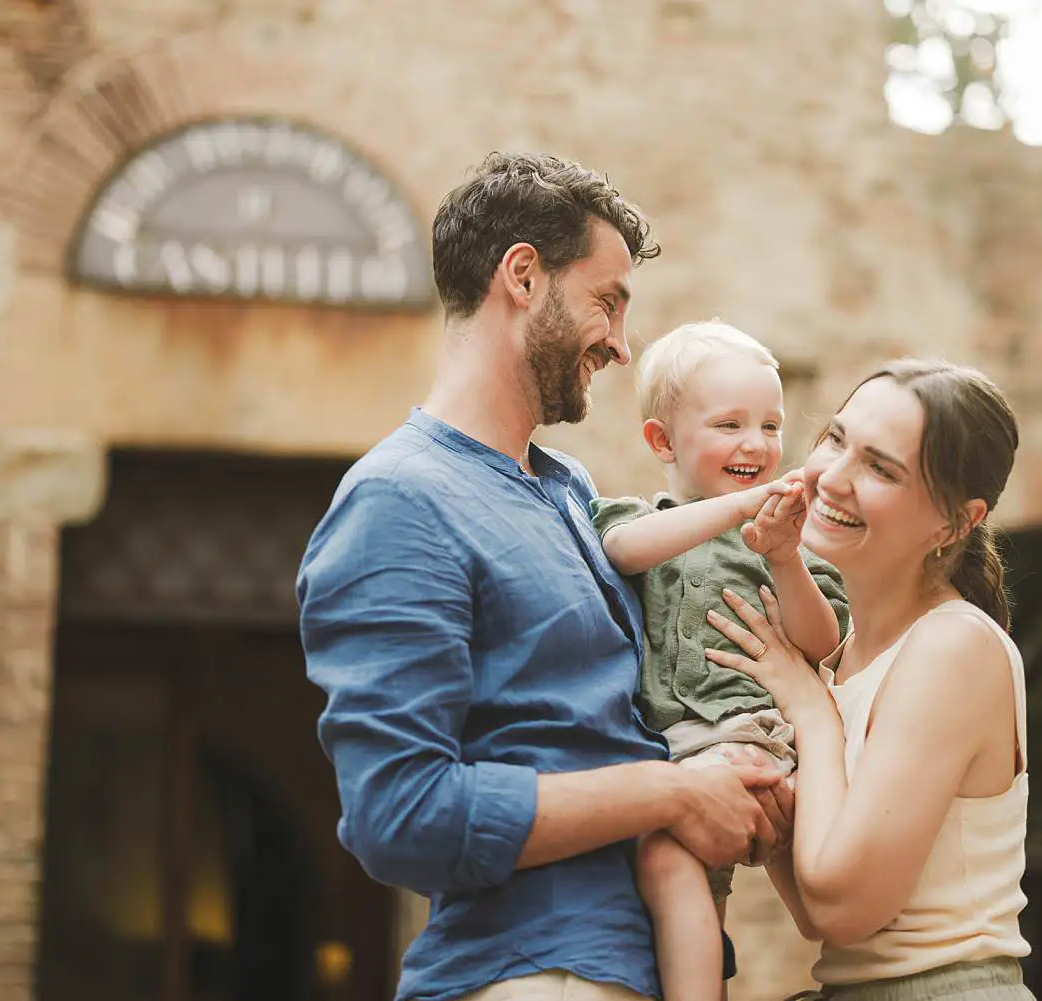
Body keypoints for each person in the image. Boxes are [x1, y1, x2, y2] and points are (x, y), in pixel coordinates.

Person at [296, 152, 792, 1001]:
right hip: (534, 974)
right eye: (608, 302)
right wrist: (671, 791)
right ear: (523, 276)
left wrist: (739, 785)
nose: (621, 343)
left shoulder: (569, 493)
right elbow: (400, 815)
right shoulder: (399, 499)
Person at [705, 359, 1037, 1000]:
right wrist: (771, 823)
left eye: (881, 469)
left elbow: (842, 906)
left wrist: (808, 707)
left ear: (955, 523)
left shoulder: (953, 646)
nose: (833, 477)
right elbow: (828, 921)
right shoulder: (850, 650)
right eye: (834, 438)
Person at [590, 320, 849, 1001]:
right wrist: (734, 505)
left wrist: (784, 556)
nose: (757, 444)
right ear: (662, 441)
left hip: (757, 741)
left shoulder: (789, 539)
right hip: (686, 757)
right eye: (730, 424)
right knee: (682, 872)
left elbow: (822, 639)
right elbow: (622, 550)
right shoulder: (640, 519)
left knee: (820, 894)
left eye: (771, 424)